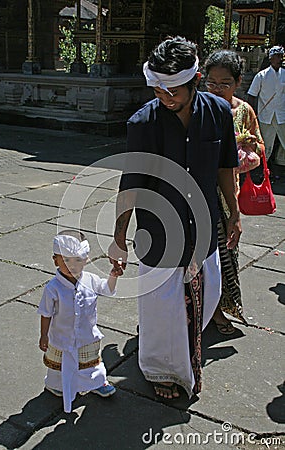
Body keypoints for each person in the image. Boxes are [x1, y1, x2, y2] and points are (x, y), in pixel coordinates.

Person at [108, 36, 241, 400]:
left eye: (174, 91)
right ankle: (159, 369)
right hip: (158, 229)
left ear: (195, 80)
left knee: (206, 296)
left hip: (203, 226)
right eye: (158, 90)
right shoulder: (143, 123)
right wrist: (119, 236)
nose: (166, 98)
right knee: (159, 305)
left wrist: (234, 213)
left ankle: (185, 356)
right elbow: (131, 183)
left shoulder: (218, 112)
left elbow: (226, 166)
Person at [204, 49, 265, 334]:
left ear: (238, 82)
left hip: (230, 193)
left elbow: (261, 147)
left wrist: (247, 146)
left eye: (224, 83)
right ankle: (200, 310)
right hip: (201, 191)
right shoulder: (197, 107)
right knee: (201, 255)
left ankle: (220, 309)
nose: (217, 89)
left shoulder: (243, 111)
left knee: (225, 254)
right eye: (211, 83)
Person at [38, 230, 123, 413]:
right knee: (58, 365)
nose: (72, 266)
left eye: (78, 260)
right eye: (66, 260)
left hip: (87, 335)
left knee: (90, 362)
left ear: (86, 260)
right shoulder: (53, 288)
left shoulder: (91, 280)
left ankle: (97, 382)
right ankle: (56, 384)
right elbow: (46, 313)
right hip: (61, 336)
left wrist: (113, 276)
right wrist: (43, 335)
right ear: (56, 261)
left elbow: (107, 289)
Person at [247, 46, 285, 170]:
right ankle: (263, 169)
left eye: (281, 56)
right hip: (266, 115)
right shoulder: (261, 76)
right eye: (277, 56)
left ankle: (280, 164)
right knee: (265, 144)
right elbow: (252, 95)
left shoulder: (284, 74)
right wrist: (253, 115)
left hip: (281, 115)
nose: (280, 59)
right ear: (271, 58)